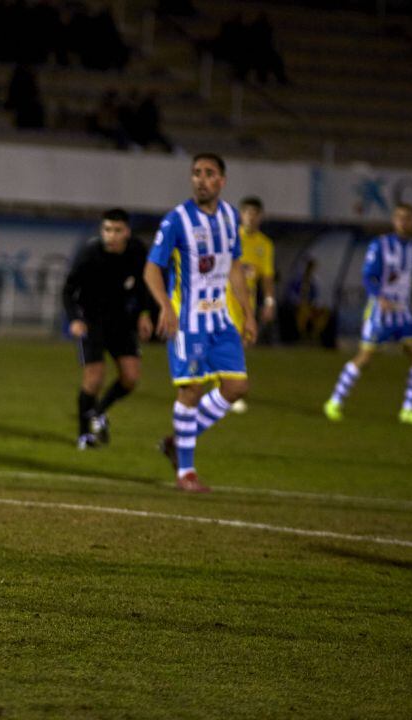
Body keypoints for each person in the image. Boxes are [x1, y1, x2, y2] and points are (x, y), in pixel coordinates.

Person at [144, 153, 256, 493]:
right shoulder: (176, 220)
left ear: (221, 181)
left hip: (220, 319)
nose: (200, 179)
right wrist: (165, 306)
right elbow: (152, 268)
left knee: (236, 387)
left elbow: (234, 266)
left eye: (208, 174)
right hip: (187, 321)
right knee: (190, 390)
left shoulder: (230, 217)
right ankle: (186, 472)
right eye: (196, 173)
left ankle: (178, 440)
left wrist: (248, 312)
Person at [324, 203, 412, 425]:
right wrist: (380, 297)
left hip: (404, 313)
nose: (404, 222)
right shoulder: (381, 245)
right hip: (380, 311)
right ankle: (334, 401)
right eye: (400, 218)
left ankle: (408, 409)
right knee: (365, 358)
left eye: (408, 218)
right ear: (394, 220)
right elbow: (368, 276)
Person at [61, 208, 153, 448]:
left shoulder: (136, 251)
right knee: (94, 378)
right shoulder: (89, 254)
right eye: (107, 230)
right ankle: (84, 435)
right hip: (91, 321)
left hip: (122, 322)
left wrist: (144, 313)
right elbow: (68, 290)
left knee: (131, 378)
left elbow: (144, 285)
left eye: (117, 230)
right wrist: (74, 319)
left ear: (127, 232)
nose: (111, 235)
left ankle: (98, 412)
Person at [225, 196, 276, 413]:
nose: (251, 217)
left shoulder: (265, 244)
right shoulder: (231, 237)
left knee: (241, 344)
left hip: (248, 301)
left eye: (255, 213)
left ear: (260, 217)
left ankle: (225, 386)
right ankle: (231, 393)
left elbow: (266, 277)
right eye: (247, 213)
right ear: (241, 215)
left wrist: (269, 301)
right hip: (226, 298)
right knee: (234, 345)